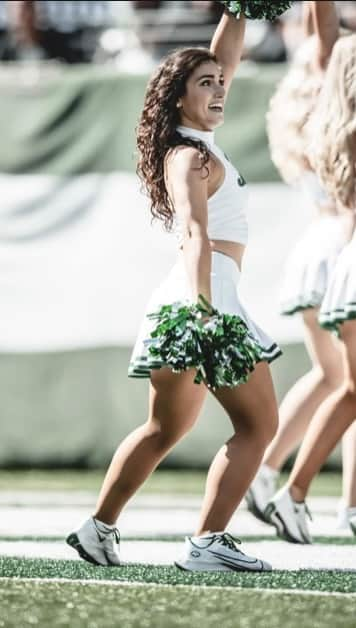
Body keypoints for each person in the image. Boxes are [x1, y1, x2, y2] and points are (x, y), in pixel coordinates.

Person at [66, 7, 282, 571]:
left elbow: (226, 56)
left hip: (182, 300)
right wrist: (206, 308)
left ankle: (97, 528)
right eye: (205, 84)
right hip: (204, 298)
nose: (219, 88)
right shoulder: (189, 154)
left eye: (220, 82)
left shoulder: (194, 139)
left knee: (165, 427)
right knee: (259, 427)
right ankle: (208, 541)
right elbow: (192, 230)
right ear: (179, 98)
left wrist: (240, 9)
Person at [245, 1, 355, 531]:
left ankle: (270, 475)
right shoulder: (335, 100)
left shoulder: (305, 111)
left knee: (336, 379)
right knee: (347, 383)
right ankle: (295, 487)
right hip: (339, 248)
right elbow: (327, 34)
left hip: (318, 247)